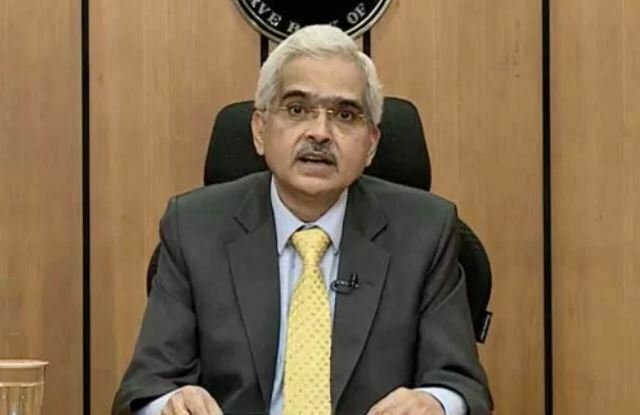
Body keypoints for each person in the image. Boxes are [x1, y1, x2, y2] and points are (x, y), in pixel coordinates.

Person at [112, 24, 492, 415]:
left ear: (371, 144)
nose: (320, 133)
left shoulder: (425, 232)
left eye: (345, 115)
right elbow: (146, 387)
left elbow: (460, 384)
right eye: (297, 110)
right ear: (260, 130)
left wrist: (435, 403)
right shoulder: (193, 228)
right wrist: (169, 405)